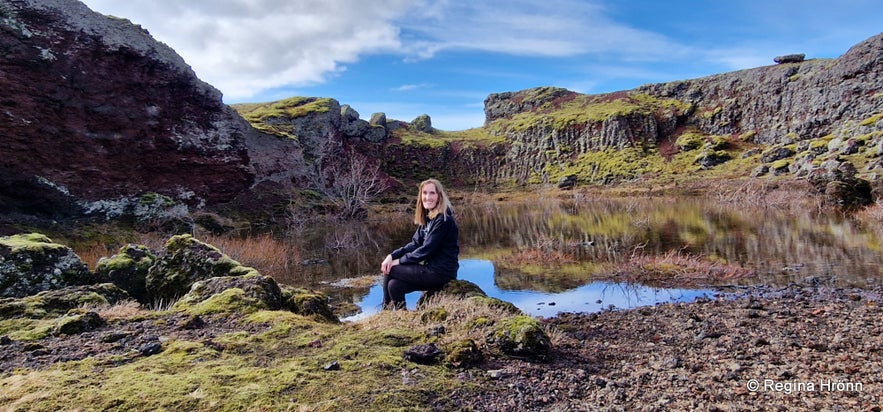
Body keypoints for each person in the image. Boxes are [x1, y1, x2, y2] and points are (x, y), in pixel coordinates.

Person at [380, 178, 459, 310]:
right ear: (420, 196)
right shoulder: (428, 219)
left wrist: (398, 262)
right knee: (394, 285)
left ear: (439, 196)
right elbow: (414, 244)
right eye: (425, 193)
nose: (428, 197)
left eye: (432, 193)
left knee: (391, 269)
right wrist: (391, 256)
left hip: (441, 273)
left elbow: (426, 250)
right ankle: (401, 315)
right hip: (431, 271)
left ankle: (385, 309)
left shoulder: (443, 220)